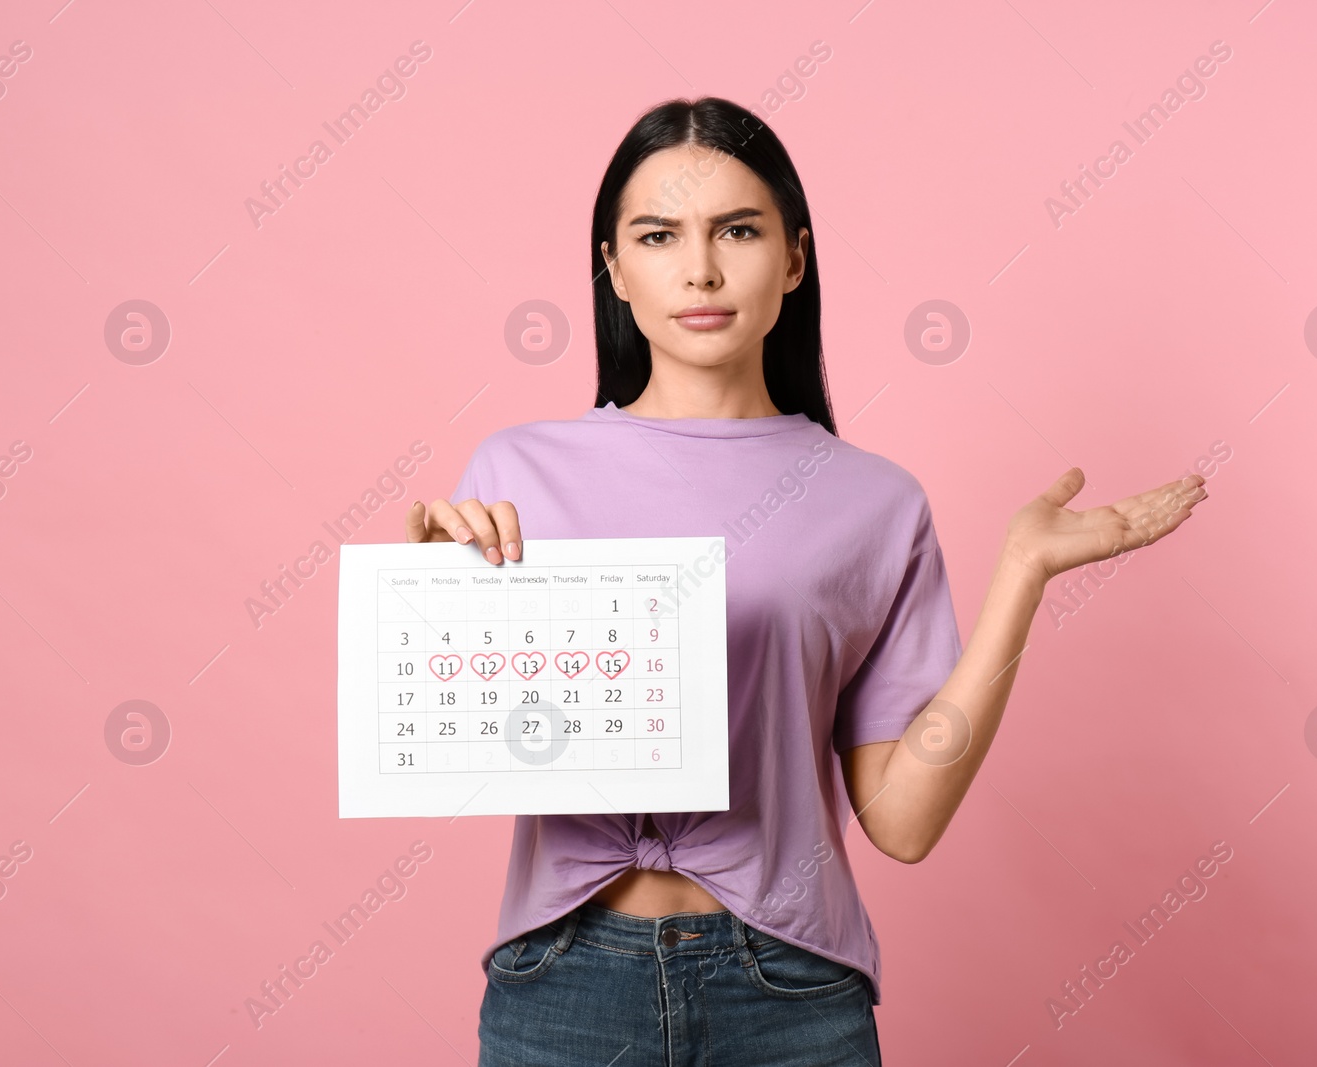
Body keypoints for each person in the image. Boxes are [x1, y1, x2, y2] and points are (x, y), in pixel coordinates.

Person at [406, 96, 1208, 1067]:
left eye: (736, 230)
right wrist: (427, 595)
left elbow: (901, 822)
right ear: (613, 269)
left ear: (792, 256)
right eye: (658, 236)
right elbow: (452, 742)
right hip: (564, 978)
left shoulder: (872, 500)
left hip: (787, 985)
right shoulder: (515, 472)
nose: (699, 268)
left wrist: (1022, 576)